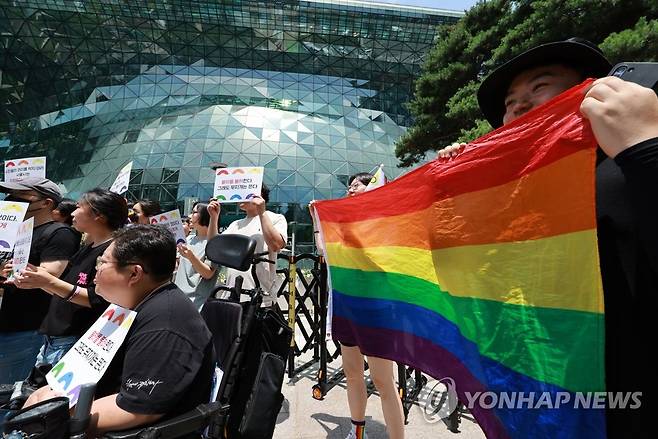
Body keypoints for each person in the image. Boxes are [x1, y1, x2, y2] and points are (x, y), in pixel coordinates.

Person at [466, 37, 656, 437]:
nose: (517, 105)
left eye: (539, 86)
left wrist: (645, 149)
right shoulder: (517, 196)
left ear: (589, 90)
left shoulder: (628, 155)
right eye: (508, 102)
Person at [23, 225, 215, 436]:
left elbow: (137, 407)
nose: (95, 269)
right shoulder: (128, 305)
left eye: (102, 262)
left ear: (134, 273)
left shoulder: (165, 325)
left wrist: (53, 415)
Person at [11, 188, 128, 365]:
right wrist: (35, 279)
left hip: (75, 339)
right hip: (55, 338)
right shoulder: (88, 249)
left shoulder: (112, 253)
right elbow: (65, 287)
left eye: (79, 207)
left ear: (100, 216)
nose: (73, 212)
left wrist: (48, 281)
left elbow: (96, 298)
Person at [0, 179, 81, 383]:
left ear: (46, 202)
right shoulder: (18, 232)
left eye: (21, 195)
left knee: (10, 392)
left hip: (30, 328)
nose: (11, 199)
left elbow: (48, 276)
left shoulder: (59, 234)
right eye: (9, 193)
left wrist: (15, 273)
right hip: (8, 321)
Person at [221, 184, 287, 307]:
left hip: (260, 297)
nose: (240, 197)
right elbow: (217, 248)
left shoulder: (275, 218)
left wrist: (261, 212)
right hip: (231, 294)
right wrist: (214, 217)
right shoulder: (235, 224)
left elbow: (276, 245)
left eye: (245, 192)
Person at [174, 201, 220, 310]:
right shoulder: (189, 239)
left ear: (205, 215)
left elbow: (208, 273)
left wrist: (191, 257)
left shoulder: (214, 243)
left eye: (194, 212)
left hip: (197, 303)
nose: (190, 216)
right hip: (179, 297)